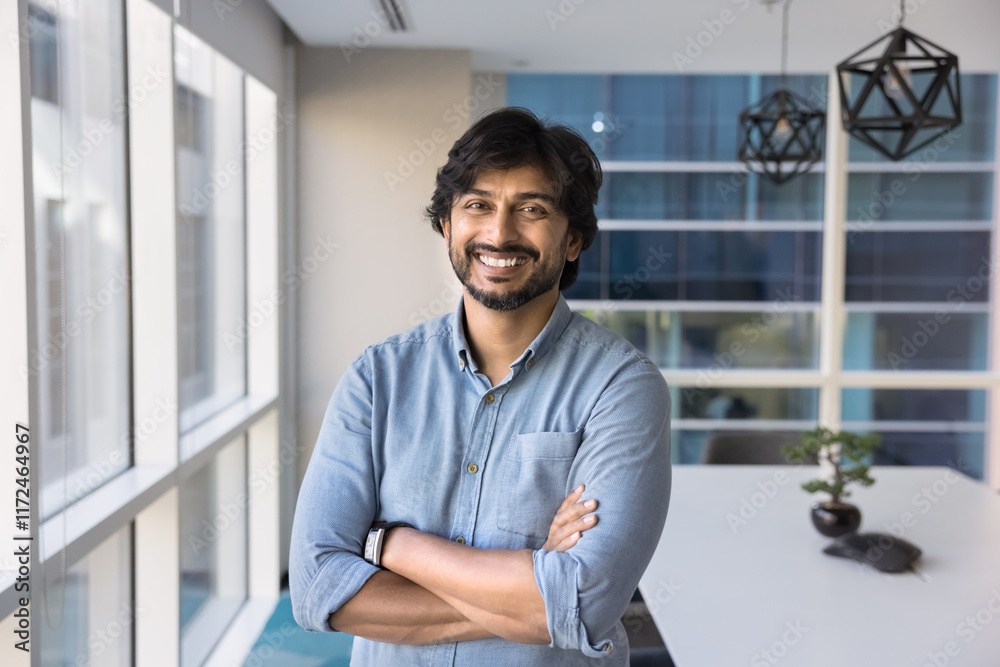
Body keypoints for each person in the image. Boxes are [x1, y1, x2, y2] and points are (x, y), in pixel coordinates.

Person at [289, 107, 671, 665]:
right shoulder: (377, 378)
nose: (499, 232)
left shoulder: (623, 388)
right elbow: (316, 586)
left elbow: (585, 605)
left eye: (532, 209)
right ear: (447, 224)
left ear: (573, 241)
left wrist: (388, 544)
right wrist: (534, 593)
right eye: (477, 205)